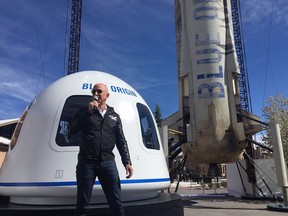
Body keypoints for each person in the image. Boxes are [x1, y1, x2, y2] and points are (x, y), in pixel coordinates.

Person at [70, 83, 133, 216]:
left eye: (99, 91)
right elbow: (73, 130)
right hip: (87, 162)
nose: (96, 93)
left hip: (108, 162)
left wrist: (127, 162)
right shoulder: (85, 112)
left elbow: (121, 140)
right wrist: (88, 112)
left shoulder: (114, 116)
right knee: (82, 203)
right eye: (94, 91)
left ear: (107, 95)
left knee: (116, 201)